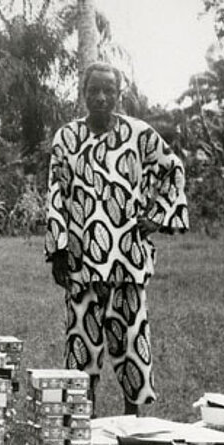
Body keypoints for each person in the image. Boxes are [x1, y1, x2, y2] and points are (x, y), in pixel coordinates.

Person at [46, 62, 189, 415]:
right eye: (94, 89)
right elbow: (57, 195)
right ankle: (83, 417)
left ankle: (132, 418)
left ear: (119, 95)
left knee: (130, 340)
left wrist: (156, 217)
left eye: (109, 90)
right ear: (83, 94)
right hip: (81, 261)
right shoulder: (66, 138)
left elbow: (173, 171)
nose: (101, 97)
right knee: (82, 339)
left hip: (127, 258)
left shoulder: (139, 134)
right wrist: (58, 251)